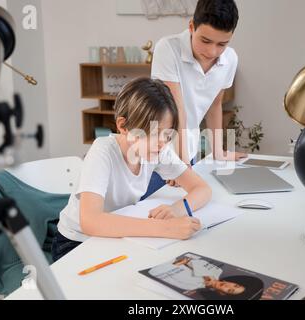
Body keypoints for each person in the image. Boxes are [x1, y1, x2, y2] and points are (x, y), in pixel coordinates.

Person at [52, 78, 212, 262]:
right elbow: (90, 221)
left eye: (168, 135)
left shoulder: (157, 149)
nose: (162, 143)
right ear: (123, 126)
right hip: (77, 243)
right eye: (154, 133)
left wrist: (177, 209)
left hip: (117, 236)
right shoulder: (102, 151)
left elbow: (202, 189)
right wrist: (167, 229)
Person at [142, 0, 247, 200]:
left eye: (222, 44)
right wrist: (181, 166)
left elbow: (215, 105)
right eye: (205, 41)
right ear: (191, 26)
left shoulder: (230, 59)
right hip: (157, 151)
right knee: (143, 214)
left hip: (186, 151)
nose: (212, 51)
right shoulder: (168, 48)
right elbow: (175, 108)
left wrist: (218, 152)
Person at [148, 255, 263, 300]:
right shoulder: (217, 270)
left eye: (230, 290)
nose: (228, 286)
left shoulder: (189, 286)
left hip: (151, 260)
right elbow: (190, 257)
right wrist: (206, 274)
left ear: (223, 293)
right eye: (235, 285)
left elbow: (154, 271)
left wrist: (178, 264)